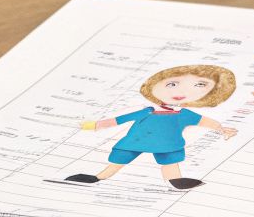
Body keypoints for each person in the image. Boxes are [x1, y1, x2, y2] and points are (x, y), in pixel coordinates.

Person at [63, 64, 239, 190]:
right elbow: (119, 120)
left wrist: (221, 129)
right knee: (119, 160)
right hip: (135, 141)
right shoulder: (146, 111)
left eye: (199, 85)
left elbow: (204, 121)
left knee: (170, 161)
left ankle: (175, 181)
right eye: (172, 83)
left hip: (167, 144)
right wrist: (94, 125)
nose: (179, 91)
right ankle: (98, 177)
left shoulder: (184, 114)